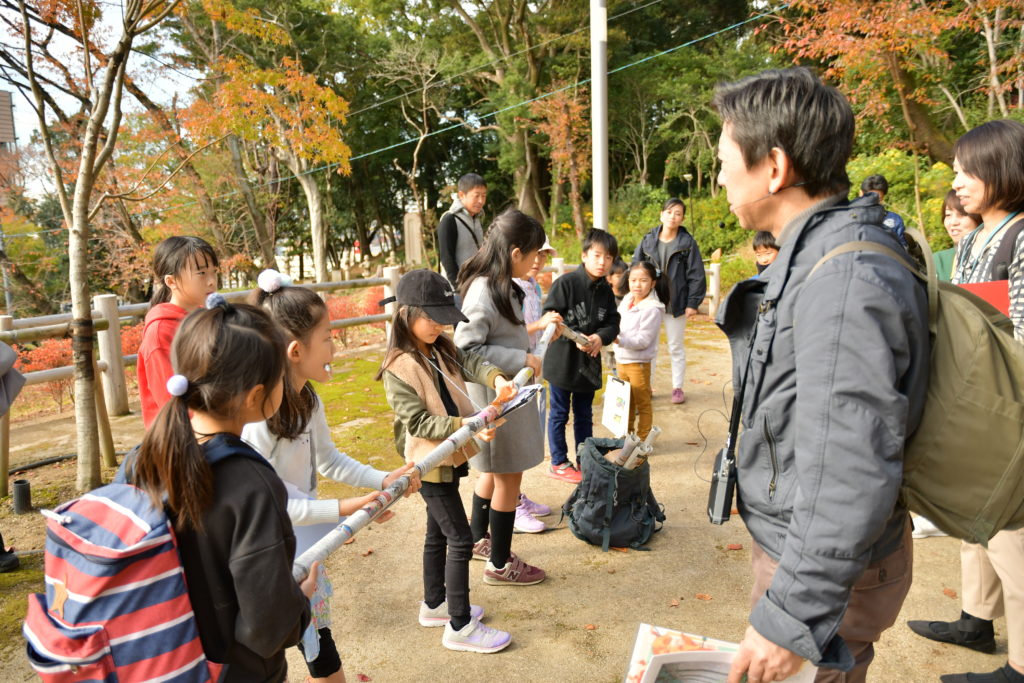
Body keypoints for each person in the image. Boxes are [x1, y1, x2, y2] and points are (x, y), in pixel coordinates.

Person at [713, 67, 929, 683]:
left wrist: (793, 615)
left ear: (774, 168)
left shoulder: (841, 279)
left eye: (727, 158)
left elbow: (850, 463)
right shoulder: (820, 253)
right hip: (815, 555)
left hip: (821, 572)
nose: (721, 175)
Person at [242, 270, 421, 683]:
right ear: (293, 350)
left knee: (316, 635)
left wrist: (380, 481)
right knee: (276, 649)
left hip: (302, 543)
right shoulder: (259, 419)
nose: (334, 347)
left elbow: (329, 460)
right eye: (326, 338)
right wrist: (343, 510)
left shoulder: (307, 399)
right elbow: (272, 502)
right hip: (266, 550)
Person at [128, 298, 315, 682]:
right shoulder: (251, 484)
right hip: (234, 670)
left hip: (161, 659)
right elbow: (268, 625)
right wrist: (301, 602)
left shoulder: (142, 459)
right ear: (254, 396)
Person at [907, 118, 1024, 683]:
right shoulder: (978, 234)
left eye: (966, 168)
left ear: (1001, 167)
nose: (957, 179)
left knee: (1011, 529)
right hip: (976, 396)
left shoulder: (1023, 235)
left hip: (1008, 403)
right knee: (974, 513)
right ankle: (976, 619)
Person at [377, 269, 514, 653]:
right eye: (432, 317)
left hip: (449, 455)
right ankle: (459, 625)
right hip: (428, 461)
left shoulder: (437, 346)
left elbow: (471, 361)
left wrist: (498, 378)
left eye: (444, 317)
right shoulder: (398, 366)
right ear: (405, 314)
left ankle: (434, 603)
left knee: (437, 534)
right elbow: (419, 422)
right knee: (459, 537)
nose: (440, 325)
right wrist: (470, 425)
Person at [454, 208, 550, 586]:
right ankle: (499, 563)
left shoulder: (499, 282)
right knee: (508, 478)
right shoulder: (485, 289)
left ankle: (479, 539)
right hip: (498, 397)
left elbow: (500, 335)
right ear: (515, 252)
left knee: (494, 474)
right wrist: (520, 358)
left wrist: (529, 344)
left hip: (507, 394)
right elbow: (465, 349)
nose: (537, 261)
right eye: (534, 254)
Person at [542, 228, 621, 483]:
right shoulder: (565, 284)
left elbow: (613, 322)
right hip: (562, 362)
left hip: (589, 363)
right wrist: (574, 336)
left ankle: (585, 459)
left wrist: (600, 338)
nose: (602, 262)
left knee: (585, 413)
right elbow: (551, 318)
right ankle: (558, 461)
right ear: (584, 255)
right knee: (559, 413)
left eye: (608, 258)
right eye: (597, 255)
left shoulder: (606, 290)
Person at [137, 236, 219, 427]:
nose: (211, 281)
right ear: (171, 281)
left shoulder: (205, 317)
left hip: (214, 427)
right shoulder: (159, 333)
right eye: (201, 273)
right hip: (181, 438)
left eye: (214, 272)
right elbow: (171, 401)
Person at [632, 198, 706, 404]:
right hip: (651, 301)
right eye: (669, 212)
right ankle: (647, 386)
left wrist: (693, 303)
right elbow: (635, 268)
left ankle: (677, 388)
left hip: (677, 302)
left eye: (678, 213)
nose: (673, 217)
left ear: (682, 218)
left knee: (675, 346)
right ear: (661, 214)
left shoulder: (687, 243)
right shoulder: (647, 241)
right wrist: (634, 295)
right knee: (649, 346)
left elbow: (696, 274)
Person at [512, 238, 561, 532]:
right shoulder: (507, 287)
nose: (537, 261)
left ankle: (516, 497)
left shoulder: (534, 286)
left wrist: (547, 333)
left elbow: (534, 328)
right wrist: (540, 325)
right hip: (512, 371)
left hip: (532, 370)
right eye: (533, 254)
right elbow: (512, 330)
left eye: (542, 256)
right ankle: (511, 507)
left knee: (526, 438)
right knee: (513, 443)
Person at [613, 261, 667, 439]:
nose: (637, 285)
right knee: (625, 401)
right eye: (633, 280)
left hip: (639, 363)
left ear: (653, 283)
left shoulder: (653, 308)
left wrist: (618, 339)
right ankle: (626, 436)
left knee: (642, 403)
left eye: (643, 280)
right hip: (622, 360)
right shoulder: (627, 299)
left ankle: (643, 439)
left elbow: (643, 340)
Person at [438, 173, 488, 289]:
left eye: (484, 196)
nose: (481, 201)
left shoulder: (478, 218)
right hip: (457, 289)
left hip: (477, 285)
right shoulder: (449, 220)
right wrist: (459, 288)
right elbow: (447, 259)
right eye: (476, 196)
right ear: (461, 195)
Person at [933, 190, 981, 283]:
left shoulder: (994, 255)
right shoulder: (938, 261)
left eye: (962, 214)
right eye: (948, 215)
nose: (953, 222)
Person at [860, 174, 909, 248]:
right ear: (861, 193)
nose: (872, 202)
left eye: (878, 199)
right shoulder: (850, 218)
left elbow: (903, 248)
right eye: (869, 198)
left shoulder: (894, 220)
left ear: (883, 197)